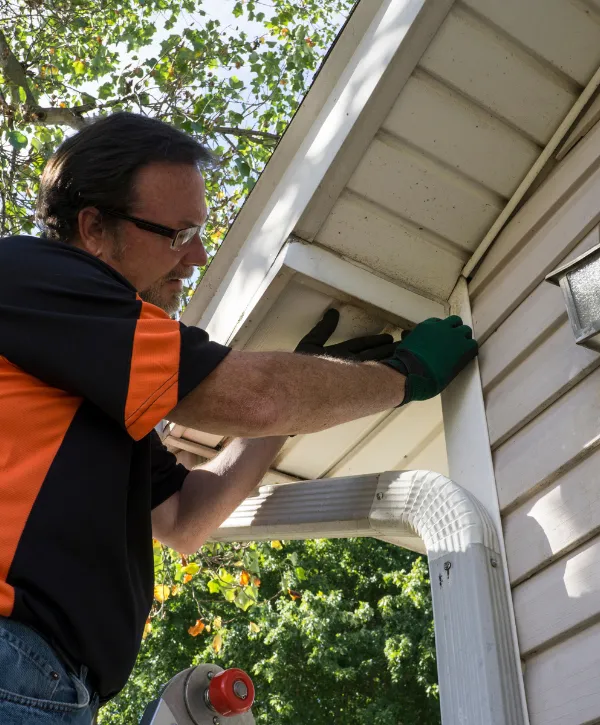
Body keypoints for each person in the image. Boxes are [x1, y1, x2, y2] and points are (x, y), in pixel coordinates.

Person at [0, 112, 477, 724]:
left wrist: (297, 401)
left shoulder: (87, 396)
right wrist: (405, 375)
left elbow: (184, 520)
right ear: (93, 228)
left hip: (48, 685)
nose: (197, 254)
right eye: (177, 234)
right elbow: (251, 396)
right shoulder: (30, 277)